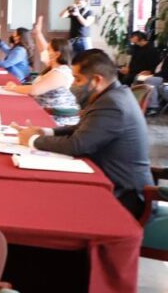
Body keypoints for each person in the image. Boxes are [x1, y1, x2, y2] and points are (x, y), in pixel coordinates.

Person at [14, 49, 154, 219]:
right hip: (110, 180)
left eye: (78, 79)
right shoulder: (113, 95)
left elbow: (77, 145)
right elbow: (81, 128)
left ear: (96, 80)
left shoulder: (113, 104)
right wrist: (45, 131)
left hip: (125, 196)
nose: (73, 84)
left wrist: (33, 140)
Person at [3, 38, 79, 125]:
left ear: (57, 54)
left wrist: (14, 88)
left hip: (53, 118)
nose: (45, 52)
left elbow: (35, 90)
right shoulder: (52, 69)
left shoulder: (60, 73)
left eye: (48, 49)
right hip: (41, 111)